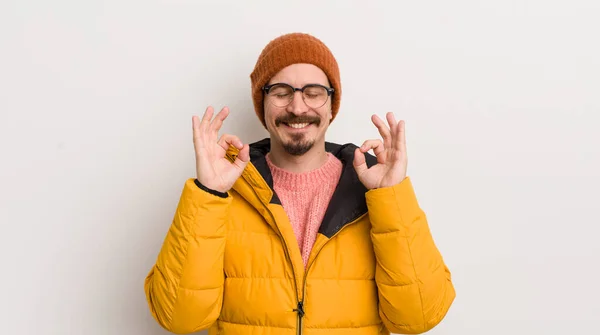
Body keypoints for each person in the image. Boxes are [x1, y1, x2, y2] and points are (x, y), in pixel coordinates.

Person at [144, 32, 455, 335]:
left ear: (332, 104)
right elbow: (179, 319)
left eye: (313, 92)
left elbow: (418, 317)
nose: (297, 107)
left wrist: (391, 196)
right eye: (281, 92)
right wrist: (208, 193)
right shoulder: (228, 189)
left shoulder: (374, 190)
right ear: (261, 103)